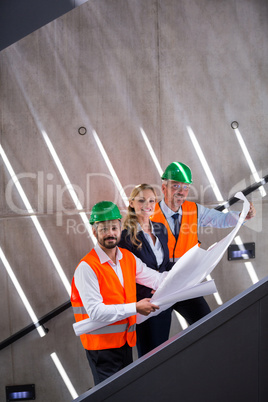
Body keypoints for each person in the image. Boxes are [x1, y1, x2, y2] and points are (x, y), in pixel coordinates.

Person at [71, 201, 169, 385]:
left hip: (125, 342)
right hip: (102, 349)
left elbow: (156, 279)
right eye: (104, 229)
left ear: (120, 228)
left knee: (126, 393)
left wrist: (189, 274)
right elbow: (96, 312)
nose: (110, 233)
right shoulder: (87, 267)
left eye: (114, 228)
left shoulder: (128, 258)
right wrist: (136, 308)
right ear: (94, 232)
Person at [151, 161, 256, 325]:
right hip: (157, 283)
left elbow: (220, 219)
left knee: (205, 326)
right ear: (164, 188)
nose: (181, 192)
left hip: (186, 279)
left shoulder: (194, 209)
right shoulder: (149, 214)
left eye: (185, 187)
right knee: (155, 337)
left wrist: (243, 216)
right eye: (175, 186)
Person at [118, 184, 173, 357]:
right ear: (132, 203)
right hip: (145, 303)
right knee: (149, 357)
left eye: (151, 200)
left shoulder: (161, 229)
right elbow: (129, 273)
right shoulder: (125, 236)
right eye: (141, 200)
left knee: (162, 352)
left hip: (163, 301)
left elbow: (164, 264)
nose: (147, 205)